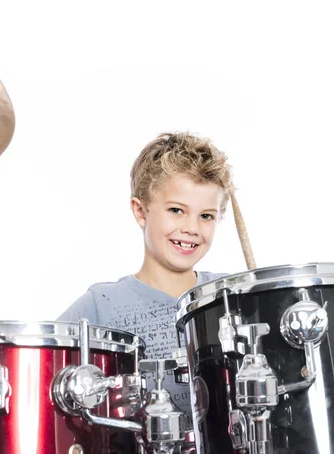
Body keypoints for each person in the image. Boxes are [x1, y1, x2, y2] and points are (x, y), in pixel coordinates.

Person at [57, 131, 233, 415]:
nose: (191, 228)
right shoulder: (100, 306)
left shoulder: (229, 297)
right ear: (141, 211)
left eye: (206, 216)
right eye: (176, 210)